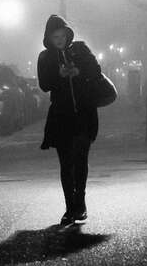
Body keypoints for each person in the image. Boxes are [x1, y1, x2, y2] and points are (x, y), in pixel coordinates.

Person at [37, 14, 101, 225]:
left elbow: (96, 70)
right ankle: (69, 207)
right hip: (61, 117)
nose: (60, 40)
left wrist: (78, 70)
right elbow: (44, 84)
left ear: (67, 33)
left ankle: (80, 204)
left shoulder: (80, 49)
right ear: (49, 37)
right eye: (55, 37)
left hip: (84, 113)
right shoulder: (45, 57)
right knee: (66, 164)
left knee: (81, 159)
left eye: (62, 35)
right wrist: (60, 76)